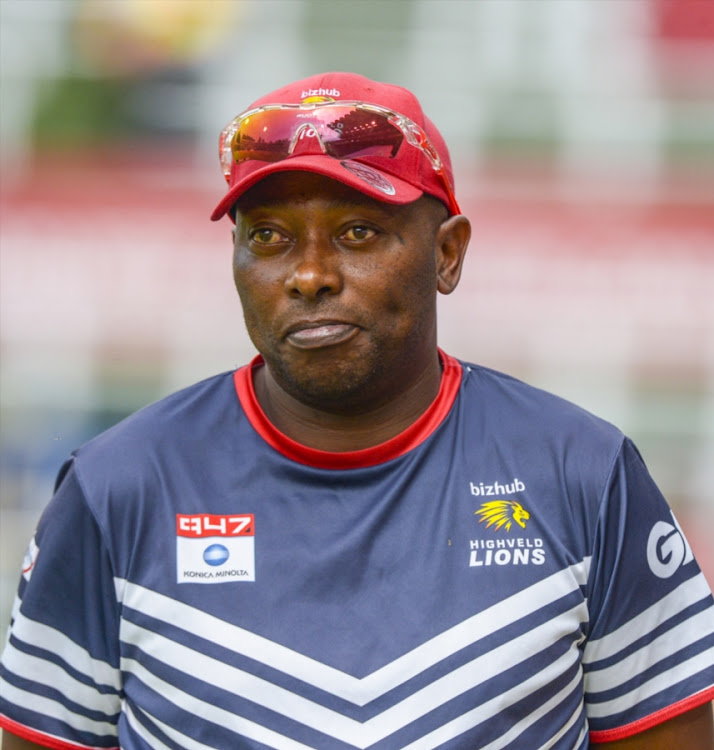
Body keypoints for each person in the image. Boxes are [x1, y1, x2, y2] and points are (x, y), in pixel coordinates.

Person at [0, 71, 712, 750]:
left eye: (358, 233)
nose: (309, 275)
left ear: (448, 254)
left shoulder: (585, 476)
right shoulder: (116, 488)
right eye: (269, 236)